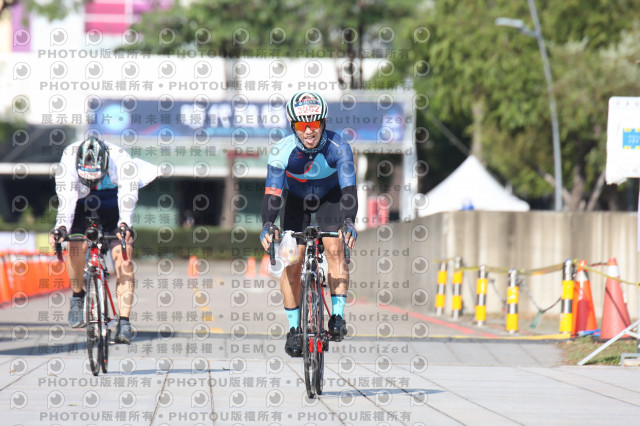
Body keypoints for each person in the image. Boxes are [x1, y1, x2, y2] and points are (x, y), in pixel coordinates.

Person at [260, 91, 358, 357]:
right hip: (295, 201)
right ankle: (294, 330)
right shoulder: (282, 151)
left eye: (314, 123)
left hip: (331, 198)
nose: (308, 130)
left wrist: (349, 222)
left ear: (323, 122)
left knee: (335, 249)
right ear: (293, 125)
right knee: (293, 261)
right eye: (302, 124)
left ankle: (337, 316)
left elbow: (349, 190)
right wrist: (267, 225)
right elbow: (272, 194)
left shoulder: (339, 147)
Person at [49, 136, 137, 344]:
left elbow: (127, 196)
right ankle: (77, 295)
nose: (93, 180)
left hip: (113, 201)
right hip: (81, 201)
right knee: (75, 247)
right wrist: (61, 228)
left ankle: (124, 322)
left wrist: (125, 225)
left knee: (124, 257)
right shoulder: (68, 158)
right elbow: (67, 199)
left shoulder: (121, 160)